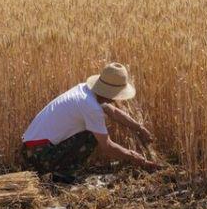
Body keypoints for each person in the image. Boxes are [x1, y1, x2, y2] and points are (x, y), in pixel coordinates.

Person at [21, 62, 162, 182]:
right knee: (92, 135)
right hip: (38, 155)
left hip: (31, 149)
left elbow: (113, 112)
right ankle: (62, 176)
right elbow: (107, 146)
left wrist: (139, 128)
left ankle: (61, 172)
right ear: (111, 93)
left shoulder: (87, 90)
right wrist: (137, 159)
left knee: (94, 130)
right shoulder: (90, 106)